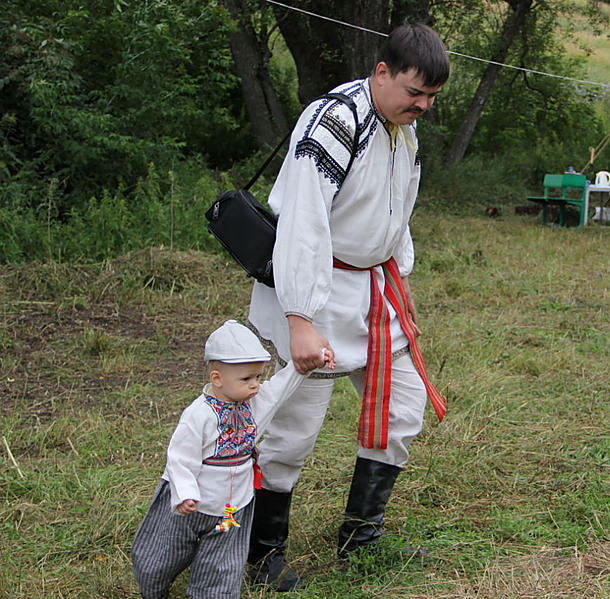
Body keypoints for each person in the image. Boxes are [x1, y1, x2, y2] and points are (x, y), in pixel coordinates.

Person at [245, 23, 450, 591]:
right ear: (381, 72)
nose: (424, 106)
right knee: (291, 430)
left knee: (401, 408)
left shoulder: (401, 128)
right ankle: (262, 553)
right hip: (314, 290)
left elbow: (396, 209)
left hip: (373, 294)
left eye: (432, 97)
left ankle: (360, 535)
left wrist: (396, 271)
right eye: (416, 92)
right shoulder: (333, 121)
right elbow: (303, 224)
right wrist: (300, 319)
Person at [131, 320, 322, 599]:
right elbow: (180, 458)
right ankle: (154, 589)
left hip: (233, 505)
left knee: (222, 566)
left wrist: (302, 366)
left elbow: (279, 390)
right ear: (217, 378)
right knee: (160, 557)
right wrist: (184, 493)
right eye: (246, 379)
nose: (255, 385)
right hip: (191, 502)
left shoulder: (253, 405)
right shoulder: (199, 415)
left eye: (257, 377)